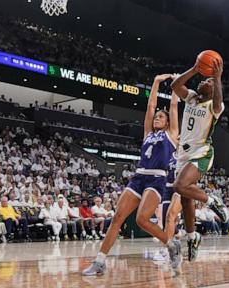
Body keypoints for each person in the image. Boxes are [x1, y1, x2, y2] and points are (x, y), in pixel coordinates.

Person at [83, 74, 178, 276]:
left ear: (168, 122)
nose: (156, 118)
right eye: (156, 117)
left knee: (143, 219)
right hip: (139, 177)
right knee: (118, 216)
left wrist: (176, 87)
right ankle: (100, 261)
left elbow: (173, 107)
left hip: (157, 179)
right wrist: (156, 82)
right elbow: (150, 108)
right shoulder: (148, 134)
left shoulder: (171, 135)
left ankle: (170, 244)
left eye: (161, 117)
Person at [170, 59, 229, 264]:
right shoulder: (192, 98)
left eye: (210, 82)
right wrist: (195, 69)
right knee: (185, 196)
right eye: (206, 79)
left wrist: (217, 78)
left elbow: (219, 101)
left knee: (180, 186)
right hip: (183, 154)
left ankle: (214, 201)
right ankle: (192, 237)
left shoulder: (215, 106)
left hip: (202, 152)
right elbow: (175, 86)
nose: (206, 81)